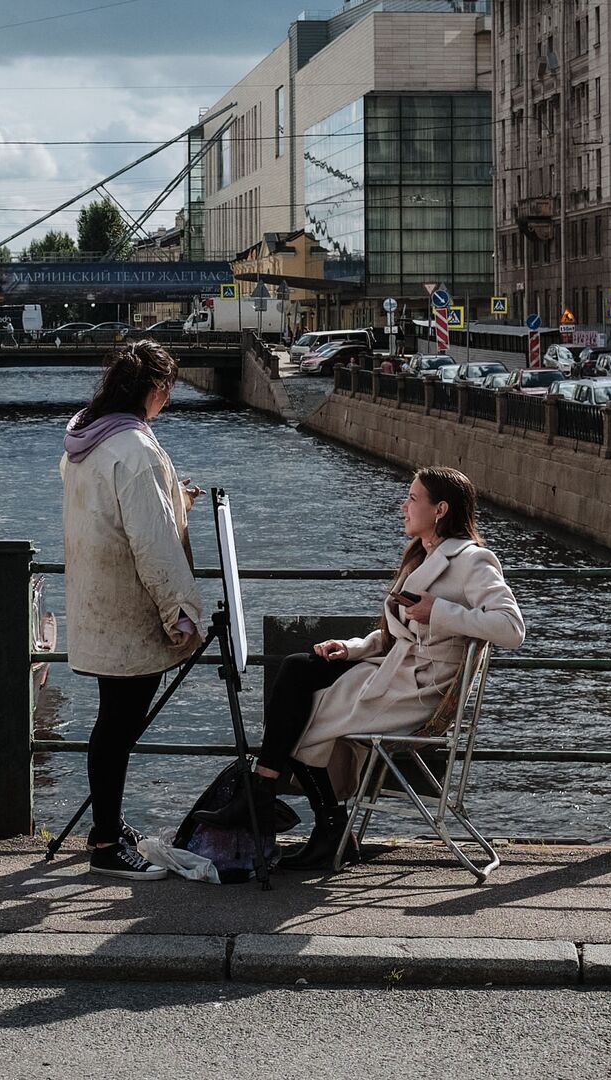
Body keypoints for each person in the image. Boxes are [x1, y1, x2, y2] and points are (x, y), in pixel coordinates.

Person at [198, 466, 525, 870]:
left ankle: (310, 820)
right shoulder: (423, 555)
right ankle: (278, 800)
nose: (403, 506)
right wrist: (350, 648)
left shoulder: (473, 560)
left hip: (419, 690)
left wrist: (439, 611)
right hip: (394, 672)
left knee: (299, 717)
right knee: (300, 667)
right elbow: (392, 635)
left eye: (412, 499)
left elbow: (511, 628)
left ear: (440, 509)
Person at [60, 340, 204, 881]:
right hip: (131, 608)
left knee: (110, 722)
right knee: (118, 727)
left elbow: (111, 516)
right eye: (167, 392)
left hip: (95, 601)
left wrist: (174, 501)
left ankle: (110, 824)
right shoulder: (136, 451)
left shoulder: (87, 442)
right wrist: (180, 613)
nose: (166, 401)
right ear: (154, 390)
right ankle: (104, 843)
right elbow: (154, 545)